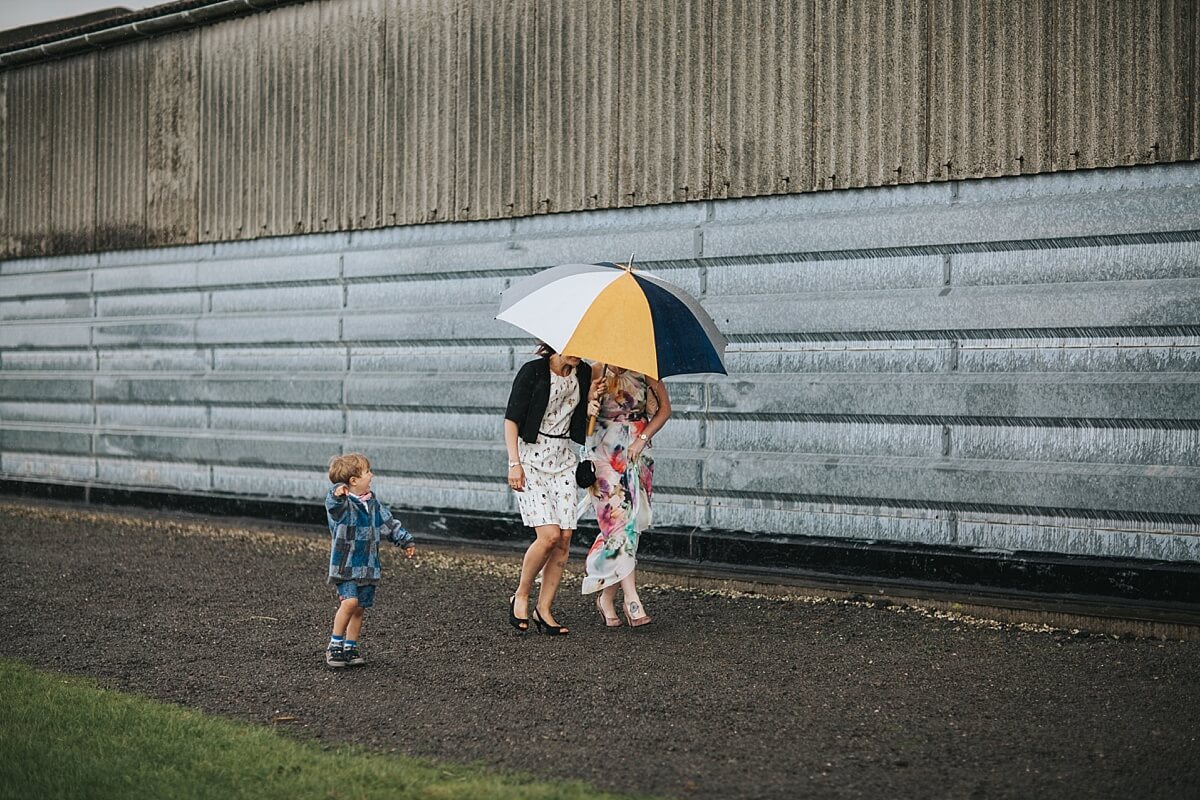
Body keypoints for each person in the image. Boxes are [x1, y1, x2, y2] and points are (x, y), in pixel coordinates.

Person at [504, 343, 592, 635]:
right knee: (549, 535)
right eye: (575, 347)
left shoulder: (584, 373)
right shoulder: (533, 371)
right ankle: (522, 594)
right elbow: (512, 420)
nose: (579, 354)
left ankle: (544, 610)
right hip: (531, 458)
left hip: (564, 459)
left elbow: (582, 420)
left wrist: (592, 402)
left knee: (564, 538)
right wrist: (513, 463)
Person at [582, 364, 671, 627]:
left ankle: (606, 596)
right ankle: (631, 599)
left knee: (632, 525)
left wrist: (642, 438)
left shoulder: (647, 369)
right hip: (605, 453)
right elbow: (584, 419)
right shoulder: (598, 369)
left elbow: (665, 410)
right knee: (617, 524)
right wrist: (591, 398)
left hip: (637, 452)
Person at [324, 453, 415, 668]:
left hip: (368, 566)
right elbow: (332, 505)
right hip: (345, 566)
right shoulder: (343, 505)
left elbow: (389, 523)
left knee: (359, 608)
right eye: (367, 471)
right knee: (350, 602)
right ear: (353, 480)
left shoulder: (372, 503)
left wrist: (405, 541)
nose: (371, 474)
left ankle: (350, 646)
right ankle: (334, 645)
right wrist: (337, 493)